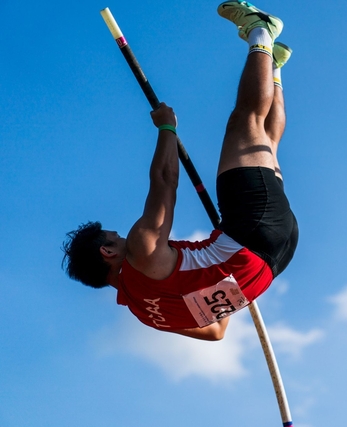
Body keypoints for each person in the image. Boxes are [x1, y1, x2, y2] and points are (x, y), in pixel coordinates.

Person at [62, 1, 298, 341]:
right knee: (245, 124)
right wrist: (167, 129)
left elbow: (216, 330)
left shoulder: (148, 315)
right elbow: (165, 182)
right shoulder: (141, 252)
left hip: (274, 259)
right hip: (250, 233)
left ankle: (273, 66)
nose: (121, 237)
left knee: (264, 146)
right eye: (115, 238)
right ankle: (261, 30)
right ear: (107, 252)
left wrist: (224, 280)